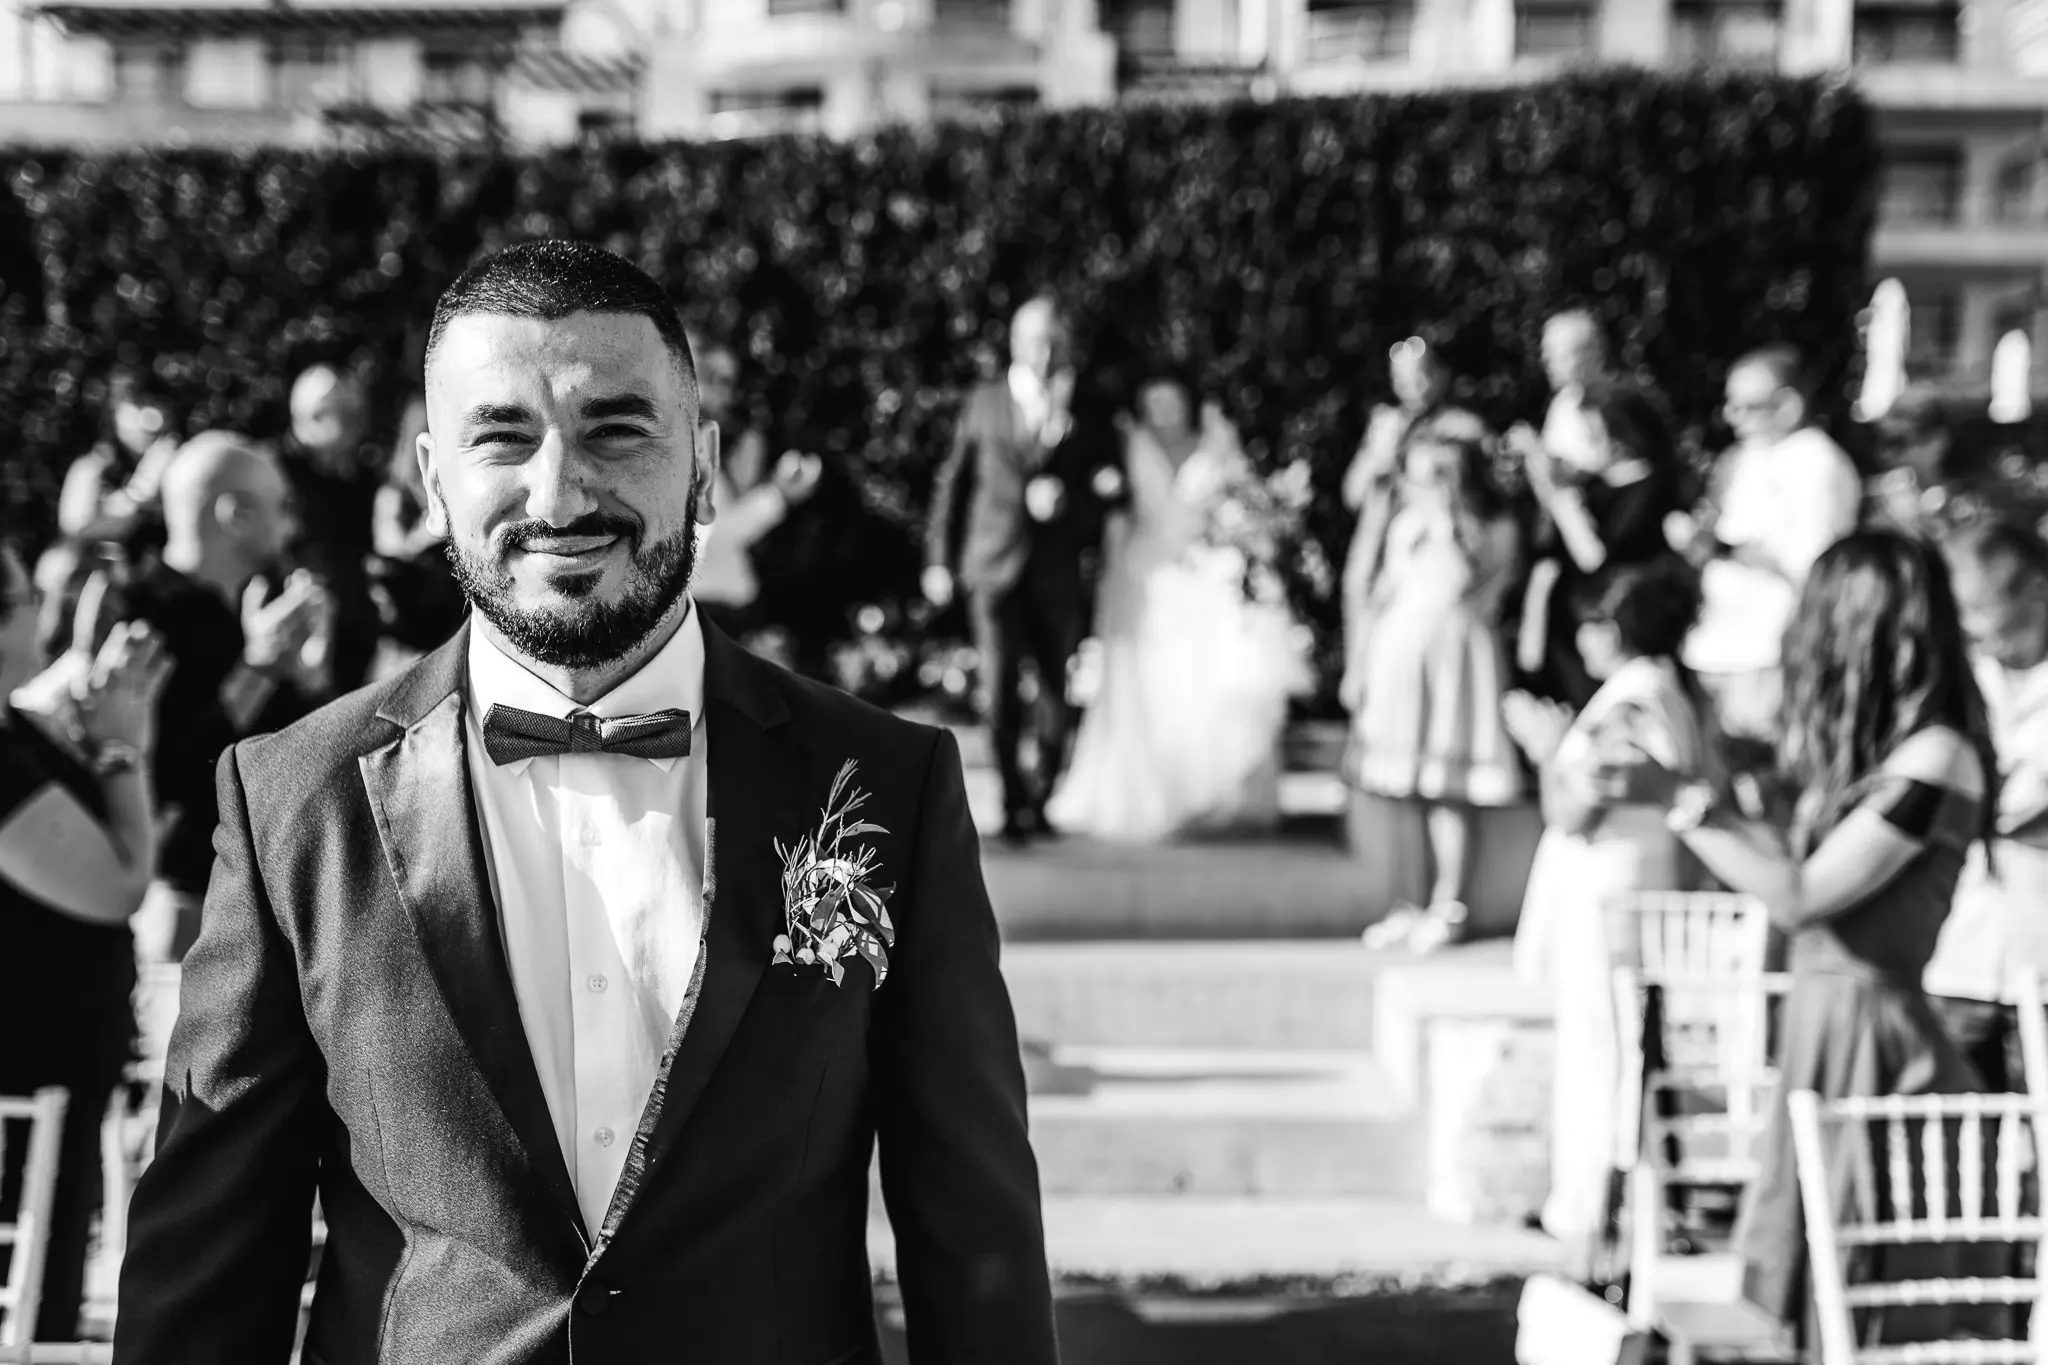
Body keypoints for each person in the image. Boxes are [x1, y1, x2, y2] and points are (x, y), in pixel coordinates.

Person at [115, 240, 1056, 1365]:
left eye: (616, 429)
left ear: (702, 466)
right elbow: (206, 1275)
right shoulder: (292, 804)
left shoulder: (886, 784)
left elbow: (977, 1244)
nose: (559, 492)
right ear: (432, 479)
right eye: (503, 436)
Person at [1600, 530, 1998, 1345]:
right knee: (1813, 1303)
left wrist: (1675, 798)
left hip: (1874, 1043)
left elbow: (1801, 892)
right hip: (1827, 1026)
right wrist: (1699, 794)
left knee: (1863, 1307)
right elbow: (1784, 863)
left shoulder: (1937, 756)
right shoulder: (1895, 753)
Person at [1507, 558, 1722, 1265]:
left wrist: (1547, 751)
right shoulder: (1662, 693)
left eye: (1593, 622)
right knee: (1614, 1042)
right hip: (1628, 885)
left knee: (1601, 1046)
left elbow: (1574, 808)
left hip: (1609, 893)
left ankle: (1593, 1207)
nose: (1583, 637)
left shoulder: (1633, 703)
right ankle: (1602, 1202)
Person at [0, 518, 173, 1342]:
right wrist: (121, 750)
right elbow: (115, 885)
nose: (43, 611)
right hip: (25, 1080)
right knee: (30, 1312)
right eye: (26, 596)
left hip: (63, 1069)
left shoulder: (20, 727)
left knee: (48, 1302)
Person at [1045, 375, 1306, 841]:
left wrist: (1238, 538)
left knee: (1205, 683)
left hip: (1206, 574)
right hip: (1145, 577)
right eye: (1153, 402)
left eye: (1171, 401)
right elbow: (1116, 513)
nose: (1163, 411)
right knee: (1154, 685)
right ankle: (1160, 795)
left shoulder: (1217, 439)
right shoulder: (1129, 442)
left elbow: (1242, 499)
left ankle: (1209, 796)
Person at [923, 296, 1128, 842]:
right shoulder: (984, 401)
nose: (1046, 351)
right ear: (1015, 343)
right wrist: (939, 560)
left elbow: (1112, 491)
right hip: (991, 568)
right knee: (999, 687)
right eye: (1037, 340)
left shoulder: (1090, 406)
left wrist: (1070, 500)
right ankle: (1013, 800)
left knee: (1057, 689)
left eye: (1055, 341)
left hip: (1056, 570)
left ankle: (1042, 796)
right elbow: (954, 483)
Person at [1346, 429, 1524, 953]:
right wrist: (1358, 666)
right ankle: (1407, 902)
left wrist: (1450, 517)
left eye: (1439, 473)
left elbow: (1477, 586)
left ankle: (1450, 904)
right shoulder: (1401, 522)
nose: (1423, 484)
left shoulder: (1488, 525)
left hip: (1455, 657)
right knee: (1402, 787)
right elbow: (1380, 591)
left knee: (1447, 787)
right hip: (1399, 654)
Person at [1670, 345, 1862, 741]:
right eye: (1730, 404)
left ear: (1789, 405)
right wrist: (1696, 541)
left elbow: (1815, 567)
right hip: (1715, 648)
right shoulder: (1737, 459)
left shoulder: (1816, 462)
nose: (1731, 416)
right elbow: (1715, 546)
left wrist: (1724, 548)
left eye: (1746, 406)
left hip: (1769, 651)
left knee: (1762, 769)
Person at [1923, 523, 2048, 1091]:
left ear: (2037, 590)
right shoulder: (1950, 686)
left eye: (1980, 606)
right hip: (1957, 953)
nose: (1967, 624)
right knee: (1952, 1132)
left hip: (2040, 953)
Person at [1508, 383, 1683, 709]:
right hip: (1570, 627)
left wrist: (1561, 496)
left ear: (1622, 437)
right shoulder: (1591, 486)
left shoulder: (1650, 490)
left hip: (1618, 628)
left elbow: (1593, 557)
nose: (1586, 445)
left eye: (1593, 435)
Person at [684, 335, 825, 644]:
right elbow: (706, 542)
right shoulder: (678, 449)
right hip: (704, 615)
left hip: (716, 616)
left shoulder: (702, 445)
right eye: (714, 378)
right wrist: (777, 495)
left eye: (729, 381)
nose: (726, 392)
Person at [279, 363, 382, 696]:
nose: (357, 424)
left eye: (357, 413)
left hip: (357, 627)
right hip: (299, 626)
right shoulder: (277, 472)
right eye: (346, 414)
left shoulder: (361, 475)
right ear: (311, 416)